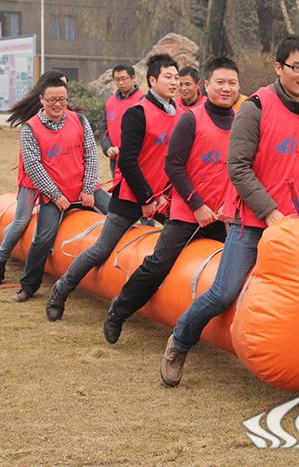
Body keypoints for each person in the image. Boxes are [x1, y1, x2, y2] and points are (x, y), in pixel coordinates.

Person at [159, 34, 299, 388]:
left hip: (297, 224)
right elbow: (237, 166)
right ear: (279, 67)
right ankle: (180, 341)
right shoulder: (256, 107)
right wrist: (269, 212)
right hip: (251, 220)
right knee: (223, 293)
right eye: (296, 67)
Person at [102, 57, 240, 344]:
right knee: (158, 264)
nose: (226, 88)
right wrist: (197, 205)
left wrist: (229, 207)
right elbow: (173, 167)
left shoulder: (241, 124)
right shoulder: (190, 118)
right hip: (188, 212)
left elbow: (241, 169)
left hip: (221, 215)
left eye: (232, 83)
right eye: (220, 82)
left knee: (231, 271)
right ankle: (119, 310)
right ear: (206, 85)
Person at [45, 53, 181, 321]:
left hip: (162, 198)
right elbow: (128, 162)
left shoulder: (178, 113)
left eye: (177, 77)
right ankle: (61, 290)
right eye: (168, 76)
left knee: (188, 235)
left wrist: (165, 195)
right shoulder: (137, 112)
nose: (174, 82)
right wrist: (146, 198)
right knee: (101, 250)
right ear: (152, 80)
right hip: (133, 196)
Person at [11, 78, 110, 302]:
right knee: (43, 238)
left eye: (62, 99)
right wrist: (56, 196)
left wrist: (88, 189)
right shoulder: (30, 128)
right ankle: (28, 286)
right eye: (53, 100)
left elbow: (91, 156)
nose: (58, 104)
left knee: (120, 217)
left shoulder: (79, 120)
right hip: (56, 196)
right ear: (42, 100)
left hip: (85, 190)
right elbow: (33, 167)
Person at [0, 70, 68, 286]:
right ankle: (0, 260)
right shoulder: (36, 117)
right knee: (22, 220)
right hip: (33, 179)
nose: (59, 97)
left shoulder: (68, 114)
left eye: (63, 89)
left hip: (58, 179)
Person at [99, 65, 145, 175]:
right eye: (117, 80)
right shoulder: (110, 102)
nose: (121, 83)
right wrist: (108, 148)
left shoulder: (143, 100)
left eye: (124, 79)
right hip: (115, 159)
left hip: (136, 161)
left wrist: (124, 150)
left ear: (133, 78)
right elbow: (104, 129)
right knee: (117, 191)